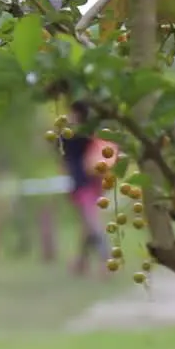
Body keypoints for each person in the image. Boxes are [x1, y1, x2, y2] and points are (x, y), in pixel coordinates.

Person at [57, 101, 111, 277]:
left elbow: (64, 160)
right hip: (84, 182)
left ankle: (106, 260)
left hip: (85, 182)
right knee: (86, 224)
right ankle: (81, 262)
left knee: (92, 222)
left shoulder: (78, 134)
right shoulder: (82, 132)